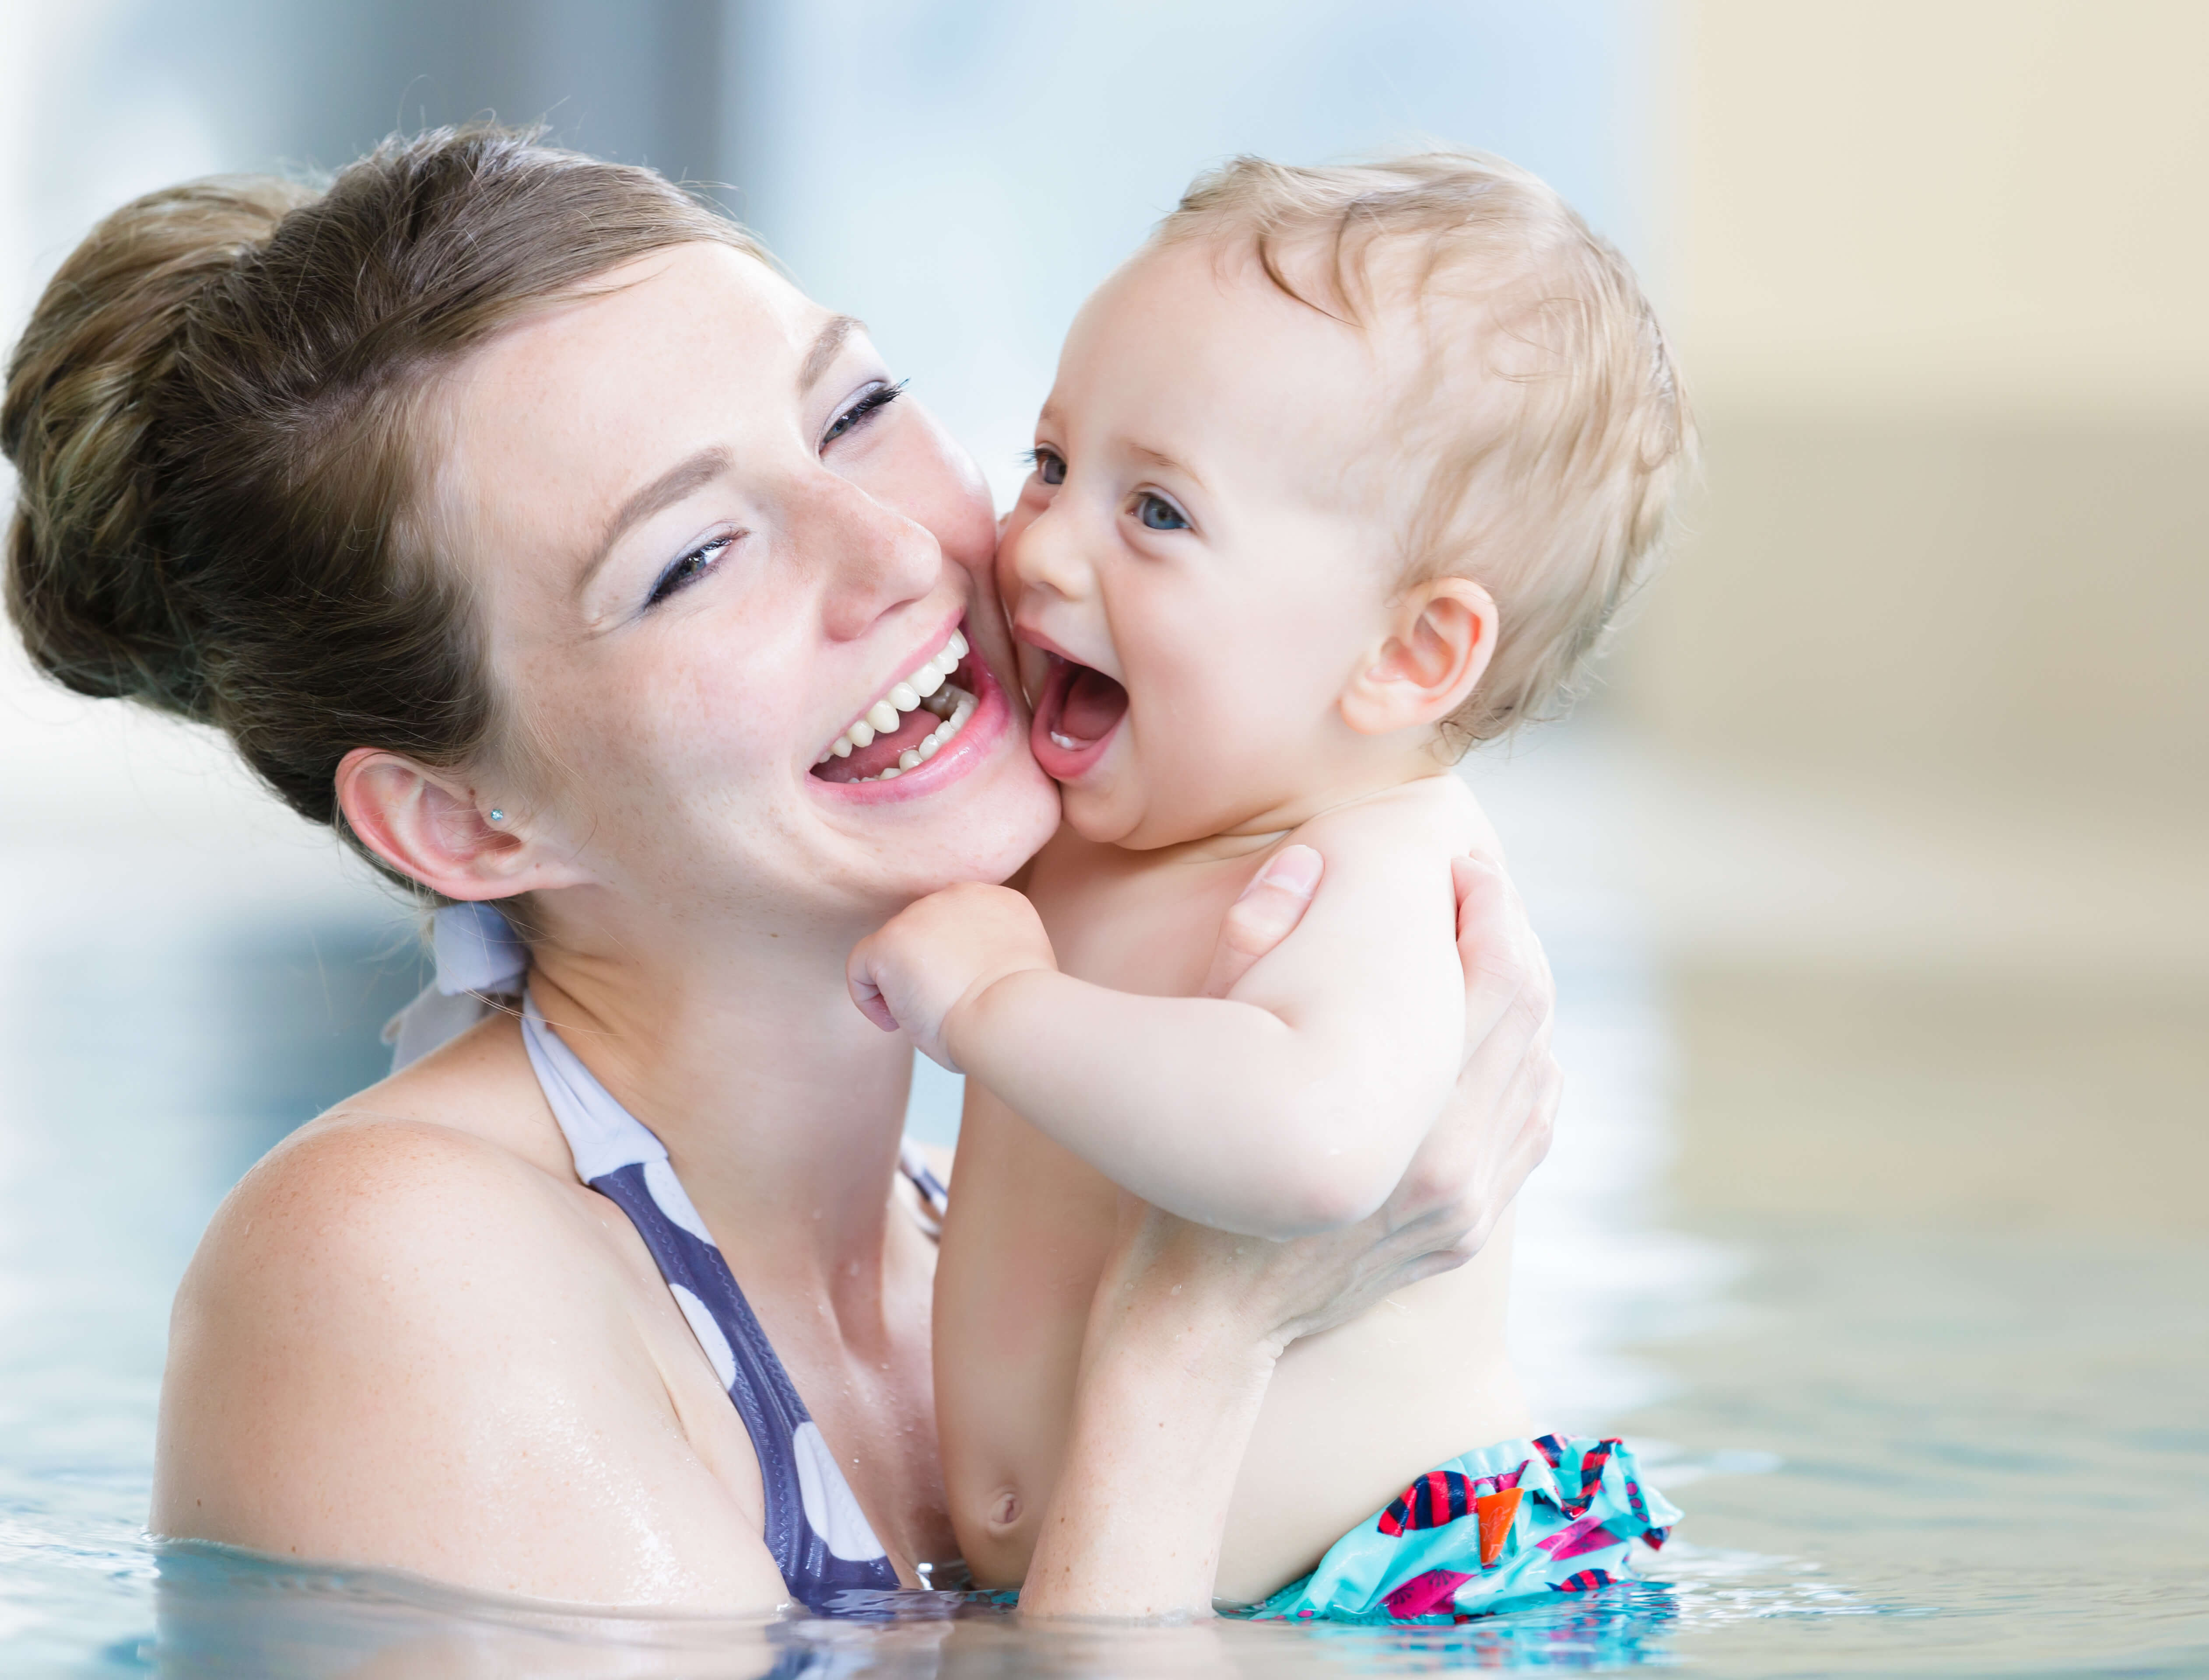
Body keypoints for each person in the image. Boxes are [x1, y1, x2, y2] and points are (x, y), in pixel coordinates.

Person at [0, 125, 1558, 1619]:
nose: (897, 554)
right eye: (693, 560)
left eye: (854, 412)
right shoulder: (393, 1269)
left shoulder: (990, 1235)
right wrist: (1199, 1340)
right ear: (465, 822)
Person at [847, 154, 1687, 1621]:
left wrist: (996, 1003)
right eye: (1051, 464)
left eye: (1157, 514)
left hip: (1393, 1592)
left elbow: (1312, 1148)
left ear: (1409, 657)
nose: (1043, 545)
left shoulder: (1370, 864)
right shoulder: (1118, 809)